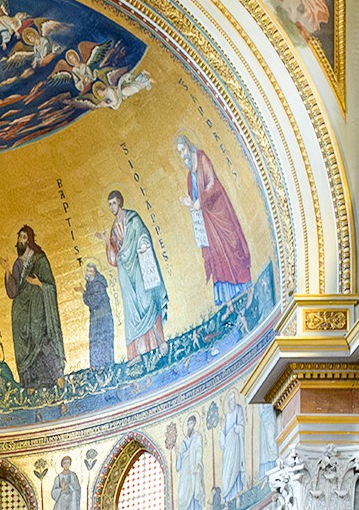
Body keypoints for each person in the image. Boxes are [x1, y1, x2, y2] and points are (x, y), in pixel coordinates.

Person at [177, 136, 252, 304]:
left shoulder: (202, 159)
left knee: (233, 246)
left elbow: (213, 183)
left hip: (219, 212)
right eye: (180, 152)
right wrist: (191, 202)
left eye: (183, 150)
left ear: (188, 146)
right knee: (218, 255)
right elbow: (195, 200)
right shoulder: (189, 176)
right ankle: (229, 301)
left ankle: (247, 288)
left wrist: (200, 199)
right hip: (208, 223)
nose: (182, 155)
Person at [0, 225, 65, 390]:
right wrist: (7, 269)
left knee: (41, 339)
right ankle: (30, 385)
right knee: (24, 347)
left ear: (29, 240)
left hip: (37, 307)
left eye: (23, 237)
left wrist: (38, 283)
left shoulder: (39, 259)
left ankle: (57, 379)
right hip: (21, 311)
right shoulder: (18, 264)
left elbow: (50, 285)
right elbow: (13, 292)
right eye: (19, 238)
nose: (20, 241)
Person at [104, 190, 167, 359]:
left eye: (114, 203)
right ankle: (138, 352)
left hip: (138, 262)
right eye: (109, 204)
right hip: (124, 269)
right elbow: (113, 260)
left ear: (120, 202)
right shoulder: (113, 229)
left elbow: (143, 234)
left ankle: (161, 341)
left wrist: (144, 244)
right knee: (132, 309)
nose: (112, 207)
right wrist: (107, 242)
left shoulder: (133, 218)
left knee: (147, 300)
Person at [82, 262, 114, 373]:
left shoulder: (98, 284)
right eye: (87, 270)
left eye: (91, 271)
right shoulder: (91, 284)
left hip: (102, 316)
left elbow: (94, 301)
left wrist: (83, 293)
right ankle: (95, 364)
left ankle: (103, 365)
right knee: (94, 339)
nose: (89, 273)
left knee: (102, 339)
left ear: (95, 272)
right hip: (96, 317)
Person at [175, 414, 204, 510]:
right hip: (185, 469)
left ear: (194, 424)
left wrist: (198, 463)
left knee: (194, 489)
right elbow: (181, 456)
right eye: (188, 424)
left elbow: (199, 449)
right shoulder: (184, 440)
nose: (189, 426)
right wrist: (178, 454)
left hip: (193, 467)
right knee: (183, 492)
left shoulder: (197, 437)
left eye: (191, 424)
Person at [221, 398, 245, 503]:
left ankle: (237, 494)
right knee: (227, 474)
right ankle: (227, 498)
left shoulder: (238, 411)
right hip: (228, 450)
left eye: (234, 399)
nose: (233, 401)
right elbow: (222, 443)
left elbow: (241, 427)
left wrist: (237, 428)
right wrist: (222, 430)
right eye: (230, 399)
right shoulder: (225, 418)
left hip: (236, 447)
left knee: (236, 468)